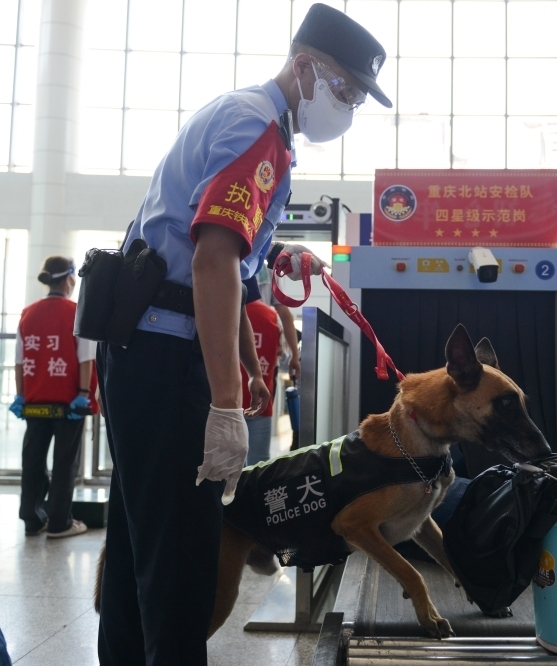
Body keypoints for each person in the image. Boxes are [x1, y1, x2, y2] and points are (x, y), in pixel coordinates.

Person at [94, 4, 392, 664]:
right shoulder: (258, 125)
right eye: (344, 89)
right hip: (169, 357)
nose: (345, 107)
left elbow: (215, 241)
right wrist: (228, 406)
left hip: (139, 352)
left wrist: (273, 252)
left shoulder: (247, 118)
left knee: (138, 548)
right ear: (304, 66)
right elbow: (211, 258)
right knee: (181, 566)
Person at [11, 256, 96, 539]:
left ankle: (32, 519)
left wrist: (21, 396)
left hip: (35, 401)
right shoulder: (76, 312)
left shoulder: (27, 313)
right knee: (64, 462)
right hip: (69, 402)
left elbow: (20, 361)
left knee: (32, 461)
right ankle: (60, 522)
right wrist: (83, 395)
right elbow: (86, 358)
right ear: (70, 278)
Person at [241, 283, 284, 465]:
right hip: (261, 401)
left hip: (225, 401)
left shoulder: (224, 310)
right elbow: (280, 352)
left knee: (226, 469)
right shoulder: (272, 315)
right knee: (259, 467)